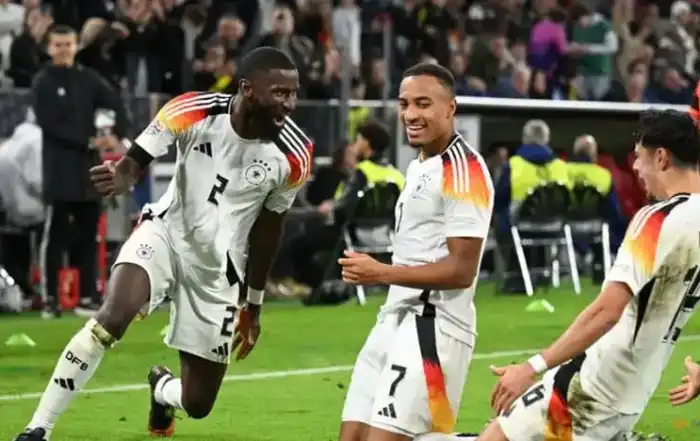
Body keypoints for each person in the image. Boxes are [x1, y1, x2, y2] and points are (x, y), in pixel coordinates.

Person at [13, 46, 313, 441]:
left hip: (218, 273)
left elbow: (268, 231)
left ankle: (161, 390)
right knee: (111, 318)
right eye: (280, 93)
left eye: (293, 94)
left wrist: (252, 305)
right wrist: (122, 176)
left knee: (198, 403)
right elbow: (135, 160)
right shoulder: (193, 110)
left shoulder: (294, 155)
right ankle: (38, 428)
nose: (290, 104)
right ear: (248, 90)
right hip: (166, 234)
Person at [472, 109, 700, 441]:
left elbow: (607, 311)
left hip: (593, 385)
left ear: (661, 157)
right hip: (635, 391)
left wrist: (531, 367)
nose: (636, 168)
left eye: (639, 157)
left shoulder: (657, 220)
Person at [337, 62, 495, 441]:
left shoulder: (464, 171)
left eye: (423, 104)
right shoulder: (421, 164)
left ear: (450, 108)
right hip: (394, 317)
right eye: (404, 103)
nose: (410, 114)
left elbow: (462, 270)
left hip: (435, 328)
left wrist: (381, 272)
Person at [33, 24, 128, 318]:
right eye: (58, 44)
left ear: (76, 46)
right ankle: (51, 299)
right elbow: (50, 124)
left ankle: (88, 296)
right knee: (56, 237)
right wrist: (88, 140)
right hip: (59, 170)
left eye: (68, 44)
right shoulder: (43, 82)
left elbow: (115, 101)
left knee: (89, 236)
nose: (64, 50)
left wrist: (119, 135)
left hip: (88, 171)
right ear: (49, 48)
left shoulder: (88, 78)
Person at [290, 119, 405, 293]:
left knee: (298, 245)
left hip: (352, 234)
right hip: (387, 235)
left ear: (366, 142)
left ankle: (319, 288)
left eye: (358, 139)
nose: (354, 145)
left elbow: (346, 208)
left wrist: (332, 208)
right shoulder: (396, 175)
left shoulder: (363, 171)